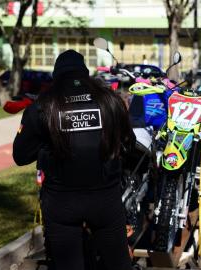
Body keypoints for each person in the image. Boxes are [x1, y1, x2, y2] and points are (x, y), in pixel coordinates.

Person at [13, 50, 135, 270]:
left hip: (62, 202)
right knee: (118, 264)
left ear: (56, 75)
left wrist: (46, 145)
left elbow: (20, 156)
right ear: (85, 73)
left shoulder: (42, 105)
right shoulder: (110, 100)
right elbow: (128, 144)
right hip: (105, 198)